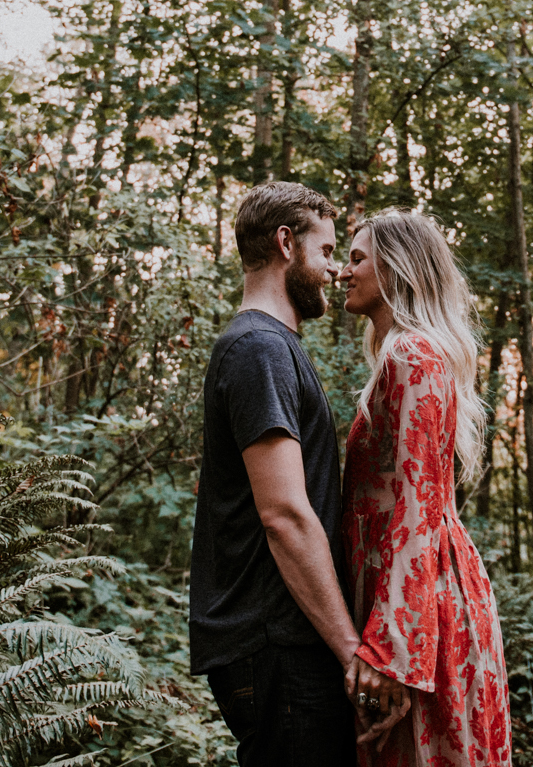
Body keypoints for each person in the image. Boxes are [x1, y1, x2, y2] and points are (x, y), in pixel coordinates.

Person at [190, 181, 409, 767]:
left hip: (287, 639)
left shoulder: (272, 347)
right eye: (328, 251)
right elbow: (284, 514)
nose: (336, 270)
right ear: (287, 243)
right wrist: (352, 654)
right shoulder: (258, 349)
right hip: (276, 642)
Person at [337, 209, 513, 767]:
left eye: (357, 258)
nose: (344, 271)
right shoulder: (405, 356)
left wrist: (393, 652)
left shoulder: (413, 356)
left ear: (396, 269)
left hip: (418, 611)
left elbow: (419, 508)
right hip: (416, 599)